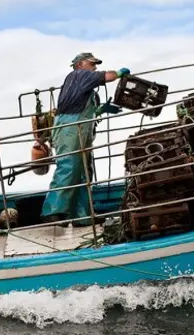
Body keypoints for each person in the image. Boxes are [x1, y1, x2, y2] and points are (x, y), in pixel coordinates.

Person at [41, 52, 130, 225]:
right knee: (68, 166)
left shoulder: (85, 88)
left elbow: (81, 107)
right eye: (92, 63)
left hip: (81, 131)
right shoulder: (78, 75)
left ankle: (82, 216)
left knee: (83, 172)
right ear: (80, 64)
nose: (94, 67)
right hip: (70, 128)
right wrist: (119, 73)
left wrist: (100, 110)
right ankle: (52, 211)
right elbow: (107, 76)